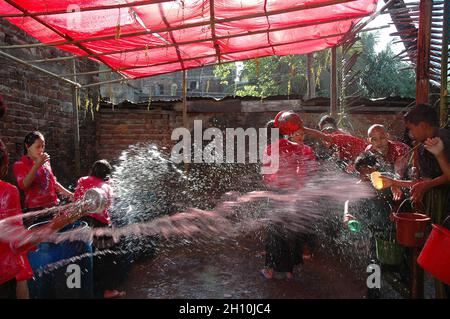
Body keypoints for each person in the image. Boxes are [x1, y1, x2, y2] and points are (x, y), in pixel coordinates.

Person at [380, 104, 450, 299]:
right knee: (437, 262)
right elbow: (423, 181)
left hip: (445, 207)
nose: (409, 134)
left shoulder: (443, 139)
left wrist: (426, 187)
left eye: (411, 128)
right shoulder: (422, 146)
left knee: (443, 259)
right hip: (433, 207)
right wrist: (395, 182)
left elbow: (446, 176)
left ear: (424, 125)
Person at [260, 111, 317, 280]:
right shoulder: (300, 148)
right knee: (292, 231)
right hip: (296, 195)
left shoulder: (270, 149)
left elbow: (267, 177)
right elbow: (308, 171)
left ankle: (269, 270)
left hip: (278, 195)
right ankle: (290, 271)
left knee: (274, 232)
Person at [74, 160, 126, 299]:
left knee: (86, 256)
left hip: (82, 222)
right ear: (107, 175)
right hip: (100, 225)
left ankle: (86, 287)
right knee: (107, 257)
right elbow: (109, 205)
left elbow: (76, 199)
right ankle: (107, 290)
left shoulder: (82, 180)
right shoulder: (107, 186)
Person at [13, 131, 73, 227]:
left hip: (53, 207)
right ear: (27, 146)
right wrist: (37, 165)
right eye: (38, 146)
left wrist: (70, 194)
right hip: (36, 211)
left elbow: (53, 182)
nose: (41, 149)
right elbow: (24, 185)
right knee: (41, 241)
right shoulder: (20, 164)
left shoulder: (45, 162)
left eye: (43, 146)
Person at [0, 139, 33, 299]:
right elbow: (18, 239)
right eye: (39, 146)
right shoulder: (8, 191)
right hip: (5, 274)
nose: (42, 150)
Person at [365, 124, 411, 201]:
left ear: (387, 136)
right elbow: (371, 171)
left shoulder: (399, 149)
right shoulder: (369, 151)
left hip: (407, 177)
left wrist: (394, 183)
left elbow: (399, 172)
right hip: (389, 176)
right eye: (374, 139)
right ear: (369, 141)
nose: (379, 142)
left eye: (382, 138)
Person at [303, 122, 367, 172]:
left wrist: (303, 128)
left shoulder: (337, 137)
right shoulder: (340, 141)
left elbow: (318, 135)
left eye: (325, 139)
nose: (324, 142)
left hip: (365, 156)